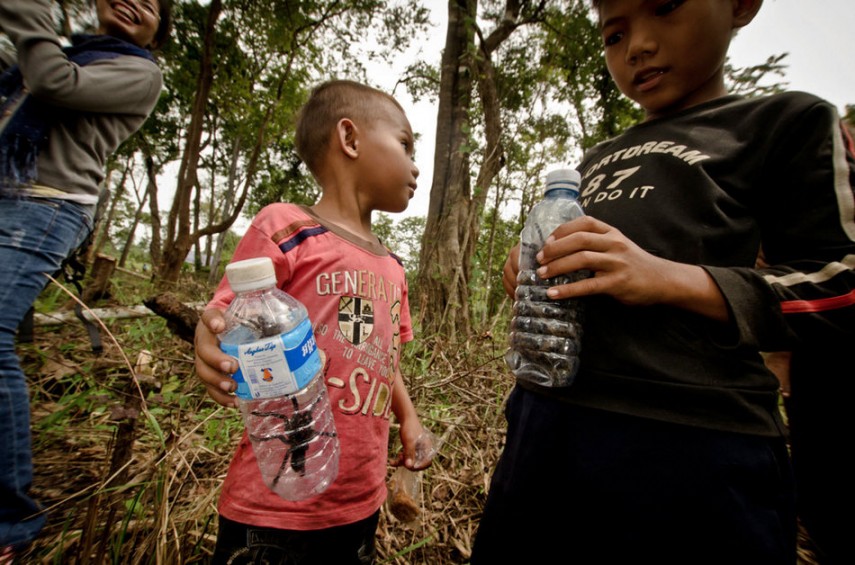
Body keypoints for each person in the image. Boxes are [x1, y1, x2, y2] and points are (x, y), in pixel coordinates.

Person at [471, 0, 855, 564]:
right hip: (545, 423)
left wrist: (669, 279)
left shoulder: (784, 123)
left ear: (740, 6)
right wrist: (534, 264)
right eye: (614, 35)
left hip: (695, 441)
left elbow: (840, 284)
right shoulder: (597, 159)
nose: (638, 46)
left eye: (665, 8)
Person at [193, 79, 432, 564]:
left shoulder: (394, 266)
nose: (415, 165)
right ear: (350, 138)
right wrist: (209, 334)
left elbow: (383, 357)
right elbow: (227, 312)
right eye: (405, 144)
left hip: (359, 501)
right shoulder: (286, 228)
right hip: (273, 502)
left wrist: (409, 417)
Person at [0, 0, 171, 558]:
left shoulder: (139, 71)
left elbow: (54, 82)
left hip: (46, 205)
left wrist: (26, 10)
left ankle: (10, 521)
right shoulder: (70, 48)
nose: (133, 1)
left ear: (158, 30)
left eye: (151, 2)